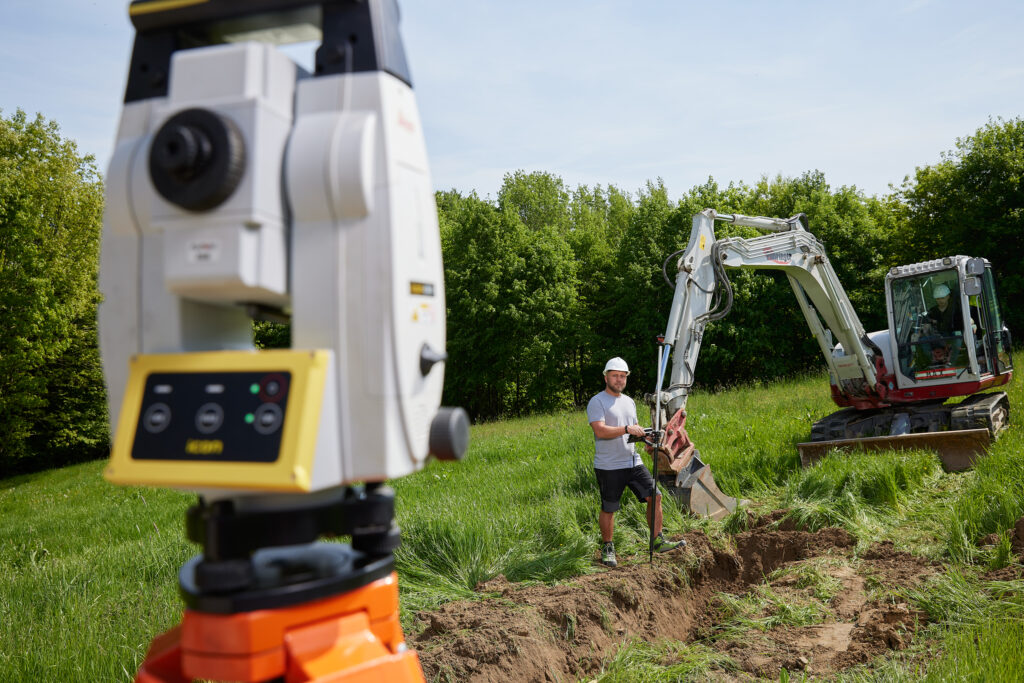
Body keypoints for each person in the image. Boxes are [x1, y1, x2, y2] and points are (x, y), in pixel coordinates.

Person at [586, 357, 682, 567]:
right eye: (615, 376)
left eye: (622, 376)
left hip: (632, 461)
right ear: (606, 377)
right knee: (609, 507)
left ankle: (656, 540)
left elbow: (634, 429)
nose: (619, 379)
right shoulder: (597, 401)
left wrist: (648, 439)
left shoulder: (629, 402)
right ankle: (608, 547)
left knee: (655, 496)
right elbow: (600, 430)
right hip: (609, 465)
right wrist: (627, 429)